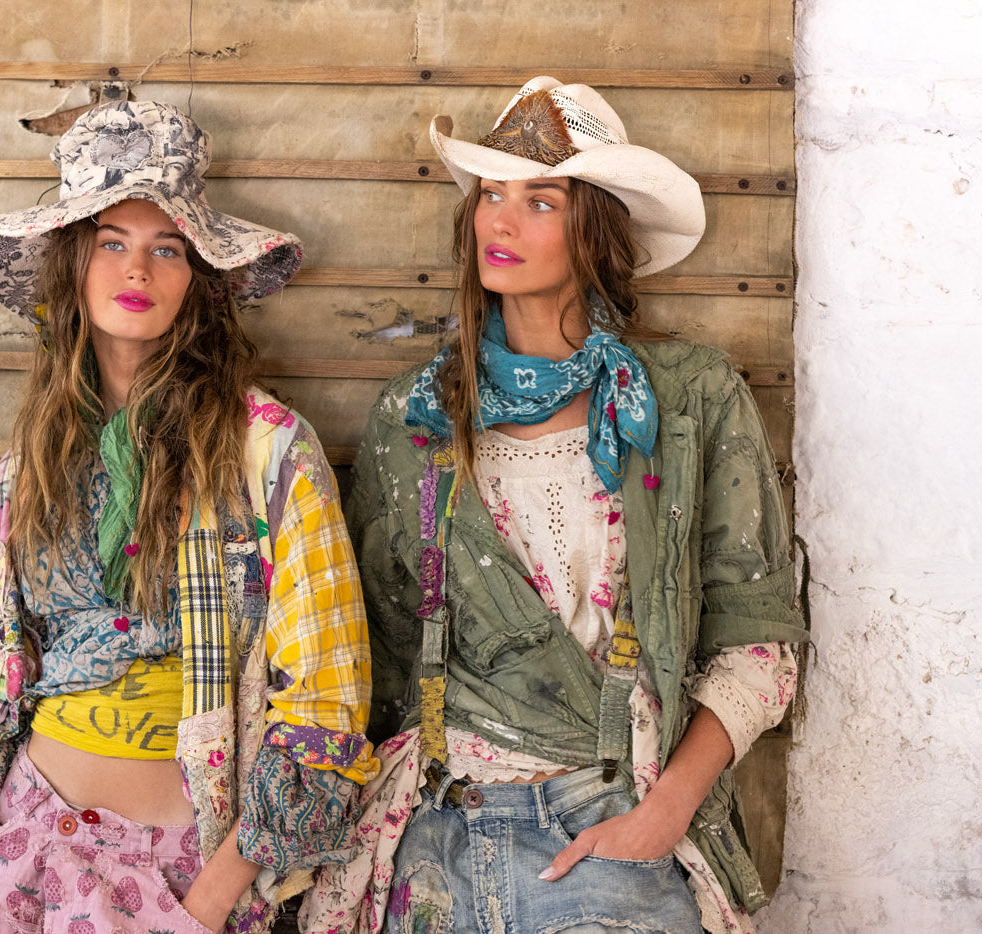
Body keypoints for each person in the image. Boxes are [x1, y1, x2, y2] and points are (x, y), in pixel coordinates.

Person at [301, 77, 808, 934]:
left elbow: (759, 645)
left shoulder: (686, 399)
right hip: (436, 840)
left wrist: (662, 816)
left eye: (541, 201)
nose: (500, 222)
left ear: (595, 230)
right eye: (490, 194)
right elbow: (373, 661)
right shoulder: (416, 416)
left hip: (609, 825)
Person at [0, 99, 378, 934]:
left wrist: (206, 901)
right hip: (25, 849)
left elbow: (327, 698)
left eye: (167, 248)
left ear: (198, 280)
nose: (138, 271)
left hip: (188, 871)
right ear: (71, 265)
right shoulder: (33, 462)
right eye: (110, 243)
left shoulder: (269, 452)